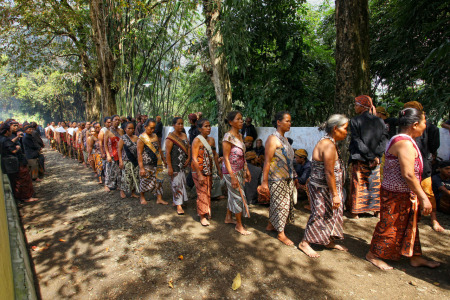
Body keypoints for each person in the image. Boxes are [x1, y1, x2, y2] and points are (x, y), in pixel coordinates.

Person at [366, 108, 440, 270]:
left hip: (404, 193)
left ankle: (415, 257)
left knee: (410, 224)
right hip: (395, 194)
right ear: (415, 124)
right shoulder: (403, 143)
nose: (425, 126)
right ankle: (373, 254)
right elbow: (408, 174)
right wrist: (423, 197)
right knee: (389, 225)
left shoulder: (405, 140)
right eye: (424, 123)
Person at [299, 114, 349, 257]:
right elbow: (329, 173)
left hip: (325, 187)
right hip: (322, 188)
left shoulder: (329, 142)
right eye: (345, 129)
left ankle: (327, 240)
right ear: (335, 128)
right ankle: (305, 242)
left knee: (331, 213)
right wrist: (334, 195)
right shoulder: (328, 144)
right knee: (320, 213)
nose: (346, 132)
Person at [349, 95, 388, 219]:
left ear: (362, 106)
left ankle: (356, 212)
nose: (355, 107)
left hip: (360, 157)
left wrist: (369, 156)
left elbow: (357, 140)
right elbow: (383, 140)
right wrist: (376, 156)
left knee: (359, 184)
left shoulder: (355, 121)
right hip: (375, 160)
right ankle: (376, 211)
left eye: (356, 105)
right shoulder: (380, 121)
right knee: (374, 185)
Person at [260, 111, 297, 246]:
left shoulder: (285, 140)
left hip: (287, 178)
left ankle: (271, 225)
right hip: (276, 179)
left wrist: (294, 177)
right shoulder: (272, 139)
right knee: (282, 206)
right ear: (278, 122)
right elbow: (267, 161)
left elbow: (289, 161)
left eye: (290, 121)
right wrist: (264, 182)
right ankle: (281, 234)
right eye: (287, 121)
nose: (289, 124)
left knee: (278, 204)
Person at [222, 111, 252, 235]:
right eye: (238, 119)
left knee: (232, 194)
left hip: (240, 170)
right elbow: (226, 158)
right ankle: (239, 225)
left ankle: (228, 217)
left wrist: (247, 170)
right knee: (238, 196)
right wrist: (233, 177)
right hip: (230, 172)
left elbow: (242, 156)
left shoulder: (240, 136)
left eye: (241, 119)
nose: (241, 121)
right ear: (230, 122)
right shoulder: (227, 137)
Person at [1, 121, 38, 202]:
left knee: (20, 180)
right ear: (7, 131)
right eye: (13, 126)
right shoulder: (5, 139)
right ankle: (26, 197)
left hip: (14, 163)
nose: (16, 128)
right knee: (22, 180)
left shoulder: (7, 138)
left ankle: (23, 196)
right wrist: (17, 148)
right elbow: (13, 150)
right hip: (15, 162)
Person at [191, 118, 219, 226]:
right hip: (199, 171)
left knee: (208, 191)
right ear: (199, 128)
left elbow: (215, 155)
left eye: (209, 126)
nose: (208, 128)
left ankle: (207, 211)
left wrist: (219, 170)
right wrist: (199, 174)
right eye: (206, 126)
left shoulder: (211, 140)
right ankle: (202, 216)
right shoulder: (197, 140)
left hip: (209, 170)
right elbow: (194, 158)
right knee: (202, 192)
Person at [137, 118, 167, 205]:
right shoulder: (141, 138)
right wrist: (141, 168)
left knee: (159, 180)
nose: (152, 130)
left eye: (154, 128)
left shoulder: (155, 136)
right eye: (151, 128)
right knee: (145, 180)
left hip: (158, 163)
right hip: (147, 164)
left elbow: (160, 149)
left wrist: (163, 160)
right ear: (145, 127)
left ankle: (159, 198)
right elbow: (139, 154)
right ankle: (142, 196)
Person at [166, 117, 190, 215]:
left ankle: (176, 201)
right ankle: (178, 205)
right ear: (173, 125)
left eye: (182, 124)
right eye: (178, 124)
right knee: (176, 183)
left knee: (182, 182)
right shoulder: (170, 138)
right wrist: (170, 167)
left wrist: (188, 158)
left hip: (183, 165)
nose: (181, 126)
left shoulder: (184, 135)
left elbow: (188, 148)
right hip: (174, 164)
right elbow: (167, 153)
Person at [118, 122, 140, 199]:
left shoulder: (136, 138)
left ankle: (133, 192)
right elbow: (119, 150)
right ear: (125, 129)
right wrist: (120, 161)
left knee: (135, 177)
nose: (131, 130)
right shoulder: (123, 138)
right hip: (126, 161)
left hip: (135, 161)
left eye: (132, 128)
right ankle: (122, 191)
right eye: (129, 128)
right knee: (126, 177)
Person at [104, 115, 124, 192]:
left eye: (118, 120)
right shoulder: (107, 132)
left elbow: (123, 141)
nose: (117, 121)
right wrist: (108, 155)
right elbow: (105, 144)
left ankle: (118, 185)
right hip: (111, 153)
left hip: (120, 153)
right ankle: (107, 184)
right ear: (112, 121)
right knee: (109, 169)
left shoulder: (121, 131)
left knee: (119, 170)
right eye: (115, 120)